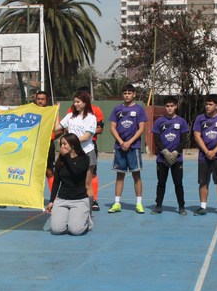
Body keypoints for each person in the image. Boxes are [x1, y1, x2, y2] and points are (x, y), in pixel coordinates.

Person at [108, 84, 148, 214]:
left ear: (134, 94)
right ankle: (117, 203)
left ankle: (139, 204)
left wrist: (129, 142)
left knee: (136, 175)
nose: (127, 95)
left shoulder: (139, 109)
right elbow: (112, 127)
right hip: (120, 147)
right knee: (120, 175)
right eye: (124, 93)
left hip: (134, 147)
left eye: (129, 93)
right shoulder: (117, 109)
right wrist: (121, 142)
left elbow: (141, 128)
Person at [55, 91, 98, 210]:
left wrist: (70, 143)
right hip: (72, 155)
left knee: (87, 184)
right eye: (74, 102)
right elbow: (57, 128)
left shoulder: (91, 118)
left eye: (78, 102)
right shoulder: (70, 116)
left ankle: (88, 211)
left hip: (87, 153)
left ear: (85, 103)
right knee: (72, 181)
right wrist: (56, 112)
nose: (75, 104)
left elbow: (86, 137)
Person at [192, 93, 217, 216]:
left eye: (210, 104)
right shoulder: (200, 119)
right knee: (203, 182)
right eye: (207, 104)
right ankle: (203, 206)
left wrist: (214, 151)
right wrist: (206, 151)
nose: (207, 106)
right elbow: (197, 136)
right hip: (204, 157)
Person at [46, 133, 92, 235]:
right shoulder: (61, 161)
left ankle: (85, 219)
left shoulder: (84, 159)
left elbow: (76, 171)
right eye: (61, 144)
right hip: (62, 199)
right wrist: (51, 201)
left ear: (73, 145)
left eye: (64, 144)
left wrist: (67, 156)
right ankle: (68, 218)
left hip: (79, 200)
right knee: (57, 230)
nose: (62, 147)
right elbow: (56, 182)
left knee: (76, 231)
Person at [151, 95, 189, 215]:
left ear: (176, 107)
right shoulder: (159, 122)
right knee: (161, 183)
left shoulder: (181, 121)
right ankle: (158, 206)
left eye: (172, 106)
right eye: (167, 106)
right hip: (162, 159)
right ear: (164, 107)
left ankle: (181, 206)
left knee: (178, 183)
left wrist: (175, 152)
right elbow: (157, 140)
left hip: (177, 159)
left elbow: (184, 140)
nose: (169, 108)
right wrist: (165, 152)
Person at [74, 85, 105, 210]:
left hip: (89, 146)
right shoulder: (72, 111)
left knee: (91, 174)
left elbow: (99, 129)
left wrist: (88, 130)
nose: (77, 103)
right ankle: (77, 199)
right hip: (74, 147)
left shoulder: (95, 111)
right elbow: (67, 126)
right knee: (74, 173)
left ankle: (94, 200)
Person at [34, 90, 56, 191]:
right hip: (34, 145)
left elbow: (60, 129)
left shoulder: (51, 112)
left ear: (46, 101)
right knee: (33, 172)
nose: (40, 101)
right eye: (38, 99)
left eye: (42, 99)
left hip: (47, 145)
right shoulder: (31, 112)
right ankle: (32, 197)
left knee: (49, 171)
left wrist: (51, 136)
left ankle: (53, 197)